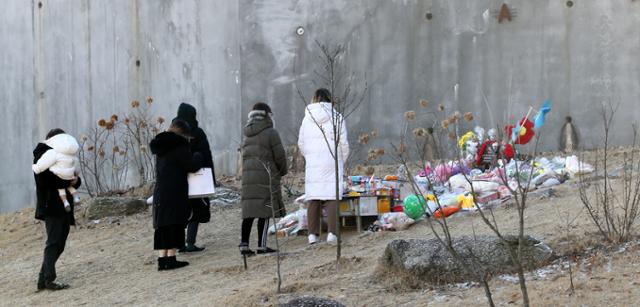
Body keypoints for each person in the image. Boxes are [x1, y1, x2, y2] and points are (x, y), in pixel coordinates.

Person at [150, 119, 203, 270]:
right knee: (175, 223)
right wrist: (198, 157)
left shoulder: (161, 145)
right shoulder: (180, 144)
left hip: (161, 190)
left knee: (162, 225)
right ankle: (172, 258)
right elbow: (190, 166)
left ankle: (162, 260)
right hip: (175, 191)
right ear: (183, 133)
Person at [298, 88, 349, 245]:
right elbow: (344, 144)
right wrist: (340, 159)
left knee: (313, 197)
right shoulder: (337, 117)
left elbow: (301, 143)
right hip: (331, 161)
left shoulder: (307, 119)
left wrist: (310, 157)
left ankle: (312, 235)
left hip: (313, 162)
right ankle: (332, 234)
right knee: (331, 196)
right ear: (329, 100)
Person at [33, 128, 82, 291]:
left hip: (65, 205)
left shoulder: (66, 157)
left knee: (59, 243)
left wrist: (74, 181)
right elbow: (43, 181)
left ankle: (43, 279)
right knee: (54, 242)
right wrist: (68, 182)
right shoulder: (43, 155)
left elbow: (75, 179)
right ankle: (49, 280)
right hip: (51, 205)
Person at [239, 102, 288, 255]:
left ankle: (244, 245)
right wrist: (282, 171)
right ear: (267, 115)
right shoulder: (271, 132)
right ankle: (262, 246)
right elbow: (279, 156)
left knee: (249, 211)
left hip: (248, 178)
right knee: (265, 211)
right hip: (265, 176)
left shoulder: (246, 134)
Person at [175, 102, 216, 252]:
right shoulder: (197, 133)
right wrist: (211, 178)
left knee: (179, 211)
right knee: (196, 210)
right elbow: (206, 155)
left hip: (177, 179)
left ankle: (180, 244)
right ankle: (190, 242)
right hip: (196, 177)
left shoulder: (172, 132)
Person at [32, 133, 82, 212]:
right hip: (52, 204)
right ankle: (75, 197)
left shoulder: (53, 153)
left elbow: (40, 168)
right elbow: (77, 170)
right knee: (68, 187)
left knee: (61, 188)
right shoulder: (71, 155)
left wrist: (35, 167)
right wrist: (74, 178)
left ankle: (66, 202)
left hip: (53, 204)